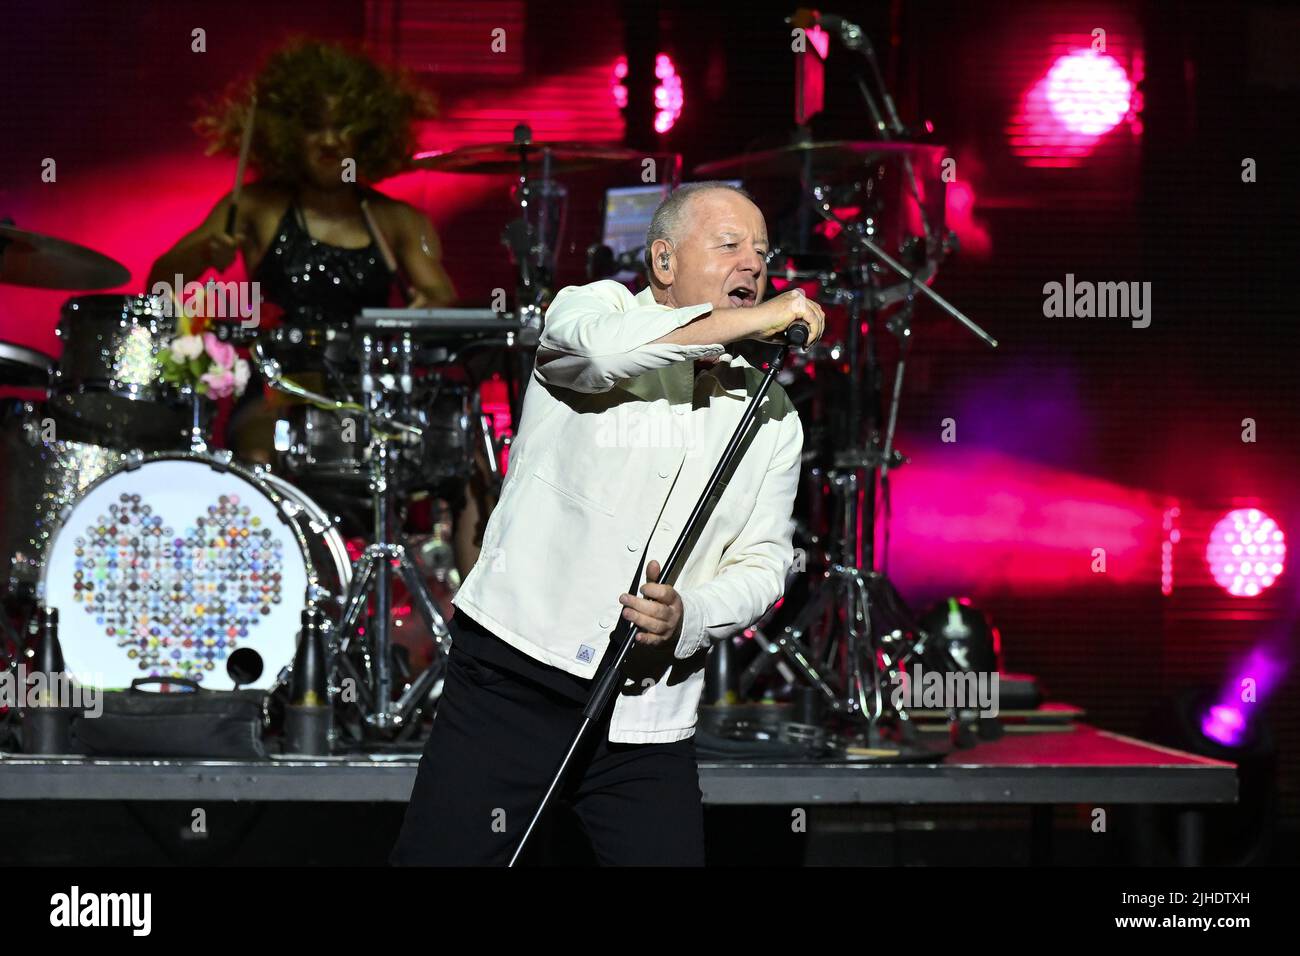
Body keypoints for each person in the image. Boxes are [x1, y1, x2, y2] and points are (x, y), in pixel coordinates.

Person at [391, 182, 825, 866]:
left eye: (763, 252)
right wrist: (751, 321)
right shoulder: (591, 310)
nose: (753, 264)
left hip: (646, 714)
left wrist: (691, 615)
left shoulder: (772, 414)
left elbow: (767, 564)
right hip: (516, 678)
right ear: (662, 260)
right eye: (729, 245)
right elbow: (601, 356)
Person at [147, 38, 489, 577]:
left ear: (370, 131)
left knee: (465, 461)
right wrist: (200, 253)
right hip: (280, 389)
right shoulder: (255, 206)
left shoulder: (396, 219)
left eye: (344, 125)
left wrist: (427, 306)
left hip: (370, 396)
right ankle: (270, 597)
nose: (330, 140)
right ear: (287, 133)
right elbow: (162, 282)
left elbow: (441, 301)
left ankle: (469, 637)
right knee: (258, 454)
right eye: (314, 125)